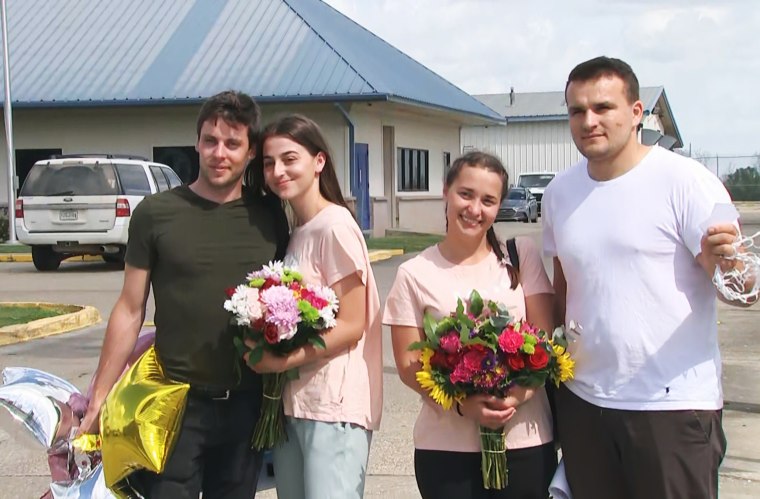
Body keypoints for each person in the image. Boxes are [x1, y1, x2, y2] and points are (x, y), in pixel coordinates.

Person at [542, 56, 756, 499]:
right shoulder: (560, 193)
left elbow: (744, 292)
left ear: (637, 113)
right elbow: (566, 288)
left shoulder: (685, 182)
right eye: (577, 111)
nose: (589, 121)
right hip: (585, 404)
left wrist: (732, 263)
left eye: (603, 108)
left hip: (671, 407)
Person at [79, 90, 290, 498]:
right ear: (197, 143)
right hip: (173, 403)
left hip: (245, 403)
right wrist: (99, 394)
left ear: (250, 152)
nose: (219, 153)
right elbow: (129, 307)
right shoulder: (156, 213)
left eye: (233, 143)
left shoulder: (269, 216)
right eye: (210, 140)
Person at [383, 151, 557, 499]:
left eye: (488, 200)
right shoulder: (415, 273)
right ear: (446, 191)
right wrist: (463, 405)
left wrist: (512, 398)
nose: (475, 209)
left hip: (525, 441)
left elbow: (546, 344)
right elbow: (407, 365)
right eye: (466, 194)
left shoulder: (519, 256)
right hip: (445, 450)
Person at [246, 114, 383, 499]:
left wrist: (280, 362)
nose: (278, 171)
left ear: (318, 161)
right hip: (296, 404)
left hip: (333, 406)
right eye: (269, 163)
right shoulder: (298, 232)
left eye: (290, 159)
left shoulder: (334, 225)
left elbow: (353, 324)